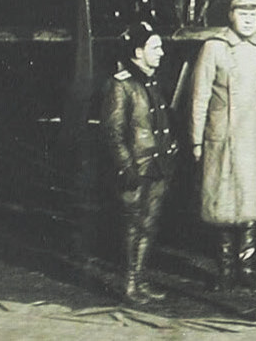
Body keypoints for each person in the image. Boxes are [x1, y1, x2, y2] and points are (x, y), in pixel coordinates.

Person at [191, 0, 256, 291]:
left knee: (252, 203)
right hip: (224, 138)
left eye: (253, 13)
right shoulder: (214, 48)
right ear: (231, 15)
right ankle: (225, 268)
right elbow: (200, 97)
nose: (248, 19)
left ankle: (246, 267)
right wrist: (196, 140)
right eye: (242, 13)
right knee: (223, 205)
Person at [100, 21, 178, 304]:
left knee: (149, 224)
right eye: (155, 47)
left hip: (157, 166)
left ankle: (140, 279)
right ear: (137, 52)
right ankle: (129, 284)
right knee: (132, 226)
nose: (161, 53)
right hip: (137, 168)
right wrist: (126, 166)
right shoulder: (121, 85)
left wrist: (171, 148)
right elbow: (113, 130)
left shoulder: (152, 81)